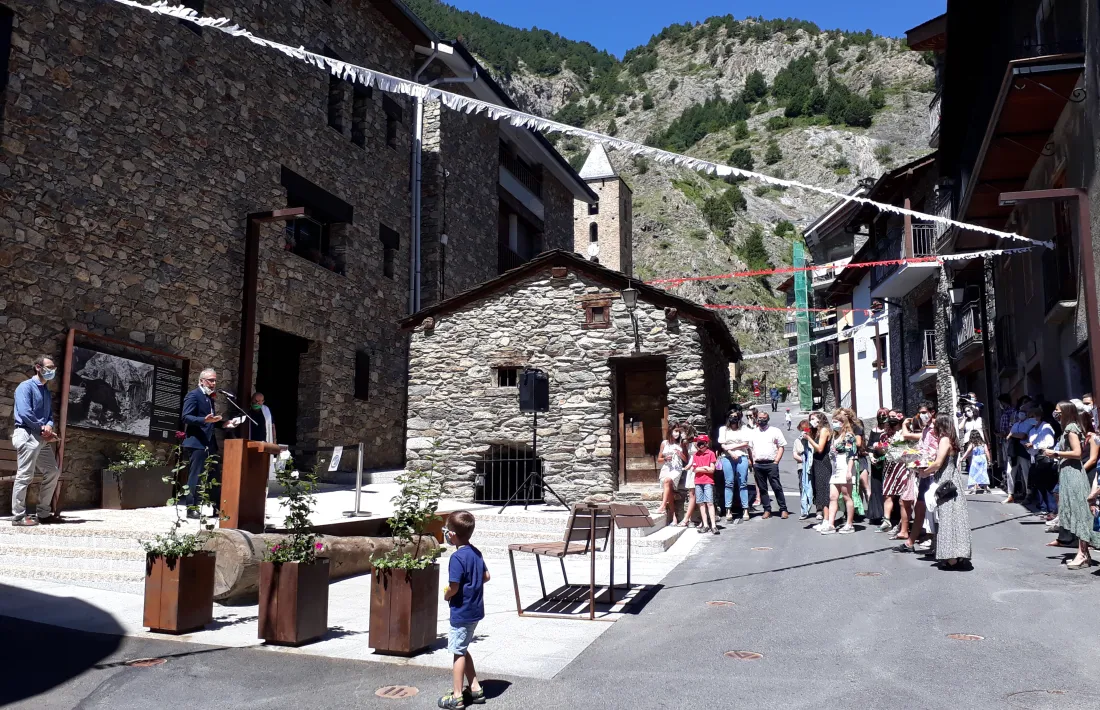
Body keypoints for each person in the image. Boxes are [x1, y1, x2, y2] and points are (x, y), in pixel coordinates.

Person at [439, 510, 489, 709]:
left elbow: (454, 586)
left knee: (457, 651)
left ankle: (457, 696)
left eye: (445, 530)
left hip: (461, 610)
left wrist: (447, 594)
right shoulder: (476, 552)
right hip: (475, 609)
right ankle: (475, 688)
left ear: (451, 535)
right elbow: (486, 576)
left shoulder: (457, 558)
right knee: (463, 646)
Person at [1041, 402, 1100, 569]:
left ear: (1066, 412)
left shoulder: (1071, 428)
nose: (1055, 413)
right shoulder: (1069, 428)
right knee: (1075, 512)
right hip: (1068, 474)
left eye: (1058, 411)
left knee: (1080, 514)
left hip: (1074, 476)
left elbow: (1077, 453)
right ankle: (1084, 554)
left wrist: (1056, 453)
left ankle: (1082, 554)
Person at [180, 368, 242, 518]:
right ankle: (191, 508)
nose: (213, 383)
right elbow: (186, 417)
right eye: (210, 380)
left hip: (209, 443)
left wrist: (224, 424)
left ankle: (217, 507)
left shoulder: (210, 399)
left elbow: (211, 422)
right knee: (195, 475)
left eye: (215, 380)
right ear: (201, 381)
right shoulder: (193, 396)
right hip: (197, 442)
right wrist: (203, 420)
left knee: (214, 475)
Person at [10, 355, 63, 527]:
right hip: (27, 434)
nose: (52, 371)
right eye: (49, 367)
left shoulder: (46, 391)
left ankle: (43, 513)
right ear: (38, 367)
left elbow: (49, 416)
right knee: (25, 475)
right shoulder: (25, 387)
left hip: (41, 438)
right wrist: (42, 428)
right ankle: (18, 516)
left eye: (53, 367)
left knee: (53, 471)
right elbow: (25, 413)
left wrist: (48, 426)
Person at [923, 413, 971, 568]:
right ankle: (960, 553)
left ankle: (950, 557)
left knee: (947, 518)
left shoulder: (944, 440)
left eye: (936, 423)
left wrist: (924, 471)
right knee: (957, 518)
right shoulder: (953, 439)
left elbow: (938, 463)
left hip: (945, 481)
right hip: (953, 479)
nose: (933, 426)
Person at [895, 401, 938, 553]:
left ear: (932, 412)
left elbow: (937, 451)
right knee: (920, 508)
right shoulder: (926, 430)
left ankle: (935, 541)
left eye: (924, 412)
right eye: (920, 413)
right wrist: (910, 456)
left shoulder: (937, 429)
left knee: (933, 511)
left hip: (934, 475)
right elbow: (921, 449)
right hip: (924, 473)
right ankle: (910, 543)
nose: (922, 415)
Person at [820, 410, 857, 534]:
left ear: (842, 423)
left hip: (845, 466)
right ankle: (830, 524)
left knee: (847, 496)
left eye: (836, 422)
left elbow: (852, 455)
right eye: (833, 422)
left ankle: (849, 524)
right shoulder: (835, 436)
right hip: (835, 469)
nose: (833, 424)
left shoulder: (849, 436)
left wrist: (849, 471)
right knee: (833, 497)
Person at [749, 411, 788, 519]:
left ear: (768, 419)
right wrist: (753, 461)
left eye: (764, 418)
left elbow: (781, 446)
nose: (761, 420)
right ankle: (767, 509)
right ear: (757, 418)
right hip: (758, 464)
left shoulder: (775, 431)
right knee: (762, 488)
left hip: (771, 464)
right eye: (760, 418)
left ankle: (783, 509)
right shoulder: (753, 432)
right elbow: (750, 448)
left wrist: (776, 461)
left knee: (777, 487)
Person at [718, 410, 753, 523]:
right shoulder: (723, 429)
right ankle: (728, 509)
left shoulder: (744, 429)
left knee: (742, 483)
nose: (733, 418)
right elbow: (722, 444)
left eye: (736, 416)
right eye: (731, 416)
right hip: (727, 457)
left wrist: (731, 447)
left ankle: (745, 509)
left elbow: (746, 443)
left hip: (742, 456)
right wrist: (732, 452)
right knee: (729, 483)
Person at [1029, 403, 1058, 517]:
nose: (1032, 419)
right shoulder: (1032, 431)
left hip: (1045, 457)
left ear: (1039, 416)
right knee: (1039, 483)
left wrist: (1034, 445)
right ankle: (1044, 507)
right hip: (1035, 457)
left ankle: (1052, 509)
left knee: (1048, 484)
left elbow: (1049, 442)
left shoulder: (1046, 427)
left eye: (1033, 416)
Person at [1004, 396, 1035, 504]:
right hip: (1013, 450)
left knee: (1025, 472)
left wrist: (1012, 434)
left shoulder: (1030, 423)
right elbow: (1008, 436)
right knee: (1010, 472)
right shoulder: (1016, 424)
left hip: (1023, 450)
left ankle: (1028, 493)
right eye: (1020, 411)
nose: (1020, 413)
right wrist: (1012, 435)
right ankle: (1010, 494)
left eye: (1023, 411)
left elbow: (1022, 436)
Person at [689, 434, 719, 534]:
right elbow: (695, 469)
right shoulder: (695, 455)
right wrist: (705, 468)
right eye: (698, 443)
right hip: (698, 482)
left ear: (706, 443)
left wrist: (702, 469)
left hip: (708, 481)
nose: (700, 445)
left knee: (709, 502)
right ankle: (705, 525)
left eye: (702, 443)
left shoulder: (710, 454)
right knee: (701, 503)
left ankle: (713, 525)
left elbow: (712, 470)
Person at [657, 424, 687, 525]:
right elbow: (659, 459)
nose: (677, 434)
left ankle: (662, 506)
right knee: (668, 489)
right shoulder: (664, 443)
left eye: (678, 432)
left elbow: (686, 459)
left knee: (667, 480)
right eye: (675, 431)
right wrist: (665, 458)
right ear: (670, 431)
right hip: (666, 468)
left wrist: (680, 454)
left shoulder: (681, 444)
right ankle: (674, 517)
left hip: (676, 468)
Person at [807, 411, 833, 523]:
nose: (811, 421)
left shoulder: (823, 430)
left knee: (823, 490)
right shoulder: (817, 431)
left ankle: (827, 519)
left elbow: (820, 448)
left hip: (823, 461)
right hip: (817, 462)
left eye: (813, 419)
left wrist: (808, 438)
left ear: (820, 419)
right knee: (819, 489)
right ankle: (824, 517)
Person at [865, 409, 888, 525]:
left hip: (887, 463)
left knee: (887, 488)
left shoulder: (889, 432)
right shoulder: (874, 431)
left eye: (884, 415)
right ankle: (877, 513)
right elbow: (869, 446)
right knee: (876, 487)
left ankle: (889, 514)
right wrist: (871, 457)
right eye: (880, 415)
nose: (882, 417)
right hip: (876, 463)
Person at [677, 422, 699, 527]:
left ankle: (686, 519)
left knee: (693, 494)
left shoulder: (696, 442)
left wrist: (691, 465)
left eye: (682, 432)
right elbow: (690, 457)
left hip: (696, 469)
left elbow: (700, 456)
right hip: (691, 469)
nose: (681, 435)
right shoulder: (687, 443)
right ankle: (689, 519)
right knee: (692, 493)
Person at [792, 419, 814, 520]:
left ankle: (819, 510)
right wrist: (803, 460)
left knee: (815, 487)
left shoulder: (812, 439)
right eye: (801, 429)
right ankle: (804, 510)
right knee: (803, 488)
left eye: (805, 429)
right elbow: (795, 454)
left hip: (813, 466)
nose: (803, 431)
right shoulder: (797, 440)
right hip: (802, 467)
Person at [995, 394, 1017, 490]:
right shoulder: (1014, 411)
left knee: (1009, 464)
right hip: (1015, 441)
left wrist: (998, 434)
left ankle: (1011, 487)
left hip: (1007, 441)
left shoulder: (1005, 414)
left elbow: (1005, 432)